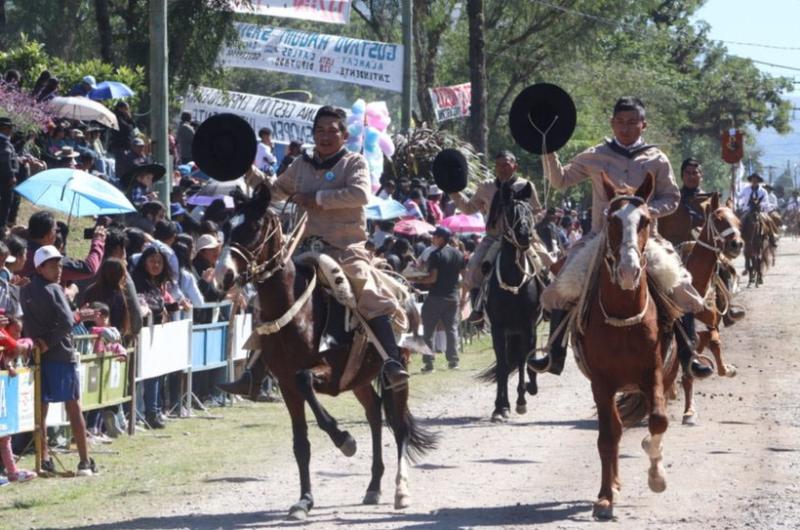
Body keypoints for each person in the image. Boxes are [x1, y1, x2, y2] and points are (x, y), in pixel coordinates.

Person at [532, 96, 710, 378]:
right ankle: (554, 352)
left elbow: (672, 198)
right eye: (620, 122)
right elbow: (560, 180)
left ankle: (690, 355)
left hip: (644, 240)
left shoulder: (657, 158)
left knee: (681, 285)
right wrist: (548, 149)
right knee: (563, 285)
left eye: (632, 123)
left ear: (643, 125)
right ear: (612, 124)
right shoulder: (594, 155)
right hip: (599, 239)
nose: (625, 128)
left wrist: (643, 212)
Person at [238, 105, 409, 390]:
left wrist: (317, 197)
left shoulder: (354, 163)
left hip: (345, 248)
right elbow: (276, 190)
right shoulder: (301, 165)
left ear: (344, 135)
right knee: (268, 296)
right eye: (320, 131)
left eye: (332, 131)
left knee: (366, 291)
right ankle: (255, 371)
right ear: (313, 134)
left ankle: (391, 362)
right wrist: (248, 170)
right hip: (303, 248)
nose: (325, 136)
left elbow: (360, 194)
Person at [21, 245, 97, 476]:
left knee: (40, 411)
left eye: (60, 264)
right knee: (73, 406)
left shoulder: (24, 290)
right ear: (40, 267)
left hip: (37, 355)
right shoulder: (55, 289)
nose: (59, 269)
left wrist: (40, 342)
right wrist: (48, 341)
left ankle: (44, 459)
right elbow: (66, 322)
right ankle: (84, 461)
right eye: (53, 265)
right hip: (61, 354)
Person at [449, 149, 542, 324]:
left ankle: (547, 304)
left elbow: (537, 211)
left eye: (506, 164)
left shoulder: (525, 186)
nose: (502, 169)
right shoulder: (486, 187)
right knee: (473, 268)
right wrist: (453, 191)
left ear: (515, 166)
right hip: (493, 237)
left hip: (521, 237)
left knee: (545, 263)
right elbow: (469, 208)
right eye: (498, 165)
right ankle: (478, 310)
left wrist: (526, 225)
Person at [131, 246, 177, 428]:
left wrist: (173, 305)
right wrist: (165, 307)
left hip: (155, 335)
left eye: (159, 261)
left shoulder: (159, 283)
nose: (156, 265)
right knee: (143, 376)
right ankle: (142, 412)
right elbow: (147, 305)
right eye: (152, 261)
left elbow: (163, 304)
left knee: (155, 374)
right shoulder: (138, 282)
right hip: (140, 335)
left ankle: (154, 412)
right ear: (144, 262)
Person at [415, 226, 464, 372]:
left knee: (429, 330)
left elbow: (433, 278)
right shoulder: (458, 254)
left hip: (436, 296)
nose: (433, 238)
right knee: (451, 329)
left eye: (435, 236)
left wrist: (417, 281)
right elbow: (464, 277)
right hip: (453, 296)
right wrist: (462, 295)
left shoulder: (436, 255)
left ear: (441, 238)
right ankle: (454, 362)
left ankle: (429, 363)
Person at [20, 211, 106, 282]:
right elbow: (88, 268)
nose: (57, 233)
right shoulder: (49, 259)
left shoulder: (17, 247)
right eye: (55, 230)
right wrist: (98, 241)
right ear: (48, 235)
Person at [738, 173, 778, 248]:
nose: (754, 181)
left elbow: (766, 202)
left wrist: (759, 204)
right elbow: (739, 196)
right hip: (748, 209)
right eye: (753, 180)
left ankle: (772, 237)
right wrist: (734, 190)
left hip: (760, 210)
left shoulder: (763, 191)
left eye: (756, 180)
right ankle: (739, 236)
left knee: (768, 220)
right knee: (741, 220)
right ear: (751, 181)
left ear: (758, 181)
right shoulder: (746, 189)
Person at [0, 117, 19, 228]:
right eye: (10, 128)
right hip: (5, 179)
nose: (11, 130)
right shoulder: (4, 142)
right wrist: (11, 175)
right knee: (5, 203)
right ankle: (1, 227)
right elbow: (5, 158)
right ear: (4, 128)